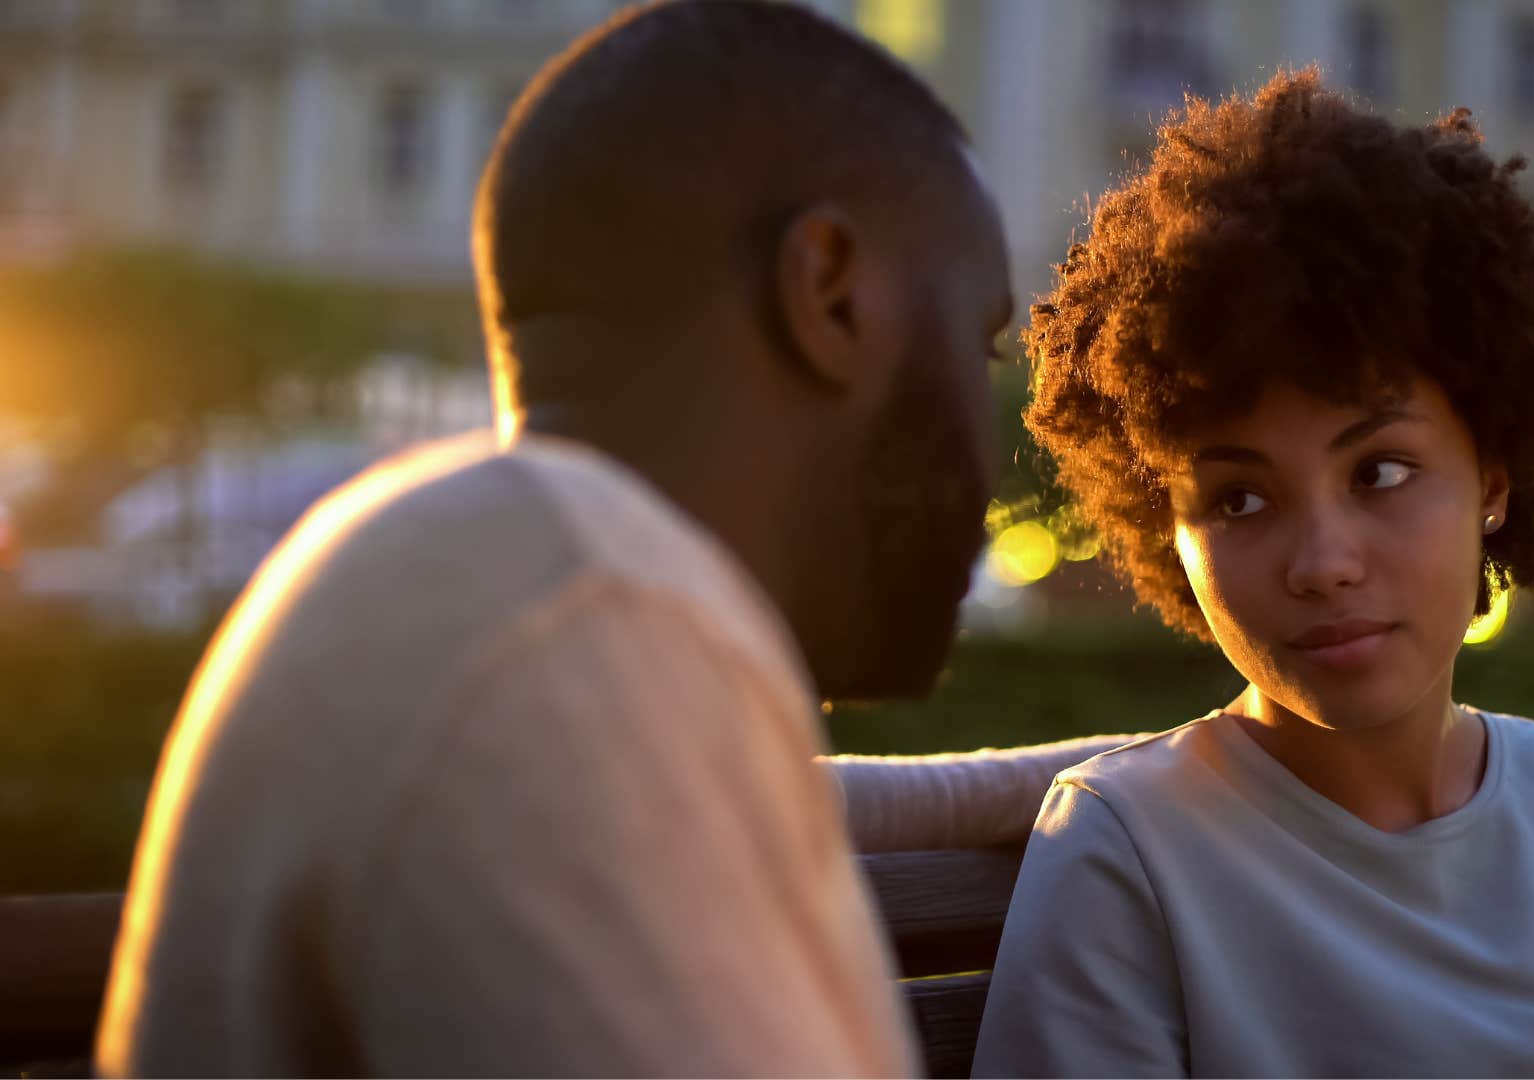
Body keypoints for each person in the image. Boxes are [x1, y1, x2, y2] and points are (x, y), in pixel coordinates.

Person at [96, 2, 1016, 1074]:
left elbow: (812, 792)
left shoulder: (488, 573)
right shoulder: (588, 623)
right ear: (832, 295)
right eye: (981, 342)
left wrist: (1168, 763)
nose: (994, 452)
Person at [971, 70, 1534, 1078]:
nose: (1323, 563)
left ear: (1493, 479)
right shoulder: (1128, 855)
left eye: (1382, 471)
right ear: (1167, 531)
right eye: (1237, 498)